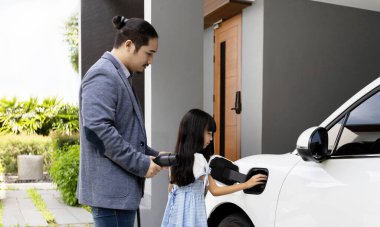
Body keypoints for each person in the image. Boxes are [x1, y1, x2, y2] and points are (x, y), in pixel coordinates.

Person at [77, 16, 165, 227]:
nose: (150, 61)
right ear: (129, 45)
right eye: (149, 53)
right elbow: (98, 131)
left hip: (118, 197)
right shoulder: (103, 75)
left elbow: (124, 132)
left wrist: (153, 156)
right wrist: (141, 163)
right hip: (111, 197)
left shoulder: (118, 75)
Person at [161, 109, 267, 227]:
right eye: (209, 133)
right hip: (192, 216)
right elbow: (215, 190)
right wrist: (246, 184)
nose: (211, 139)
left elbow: (170, 189)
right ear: (196, 132)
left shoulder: (174, 161)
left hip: (175, 214)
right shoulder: (200, 160)